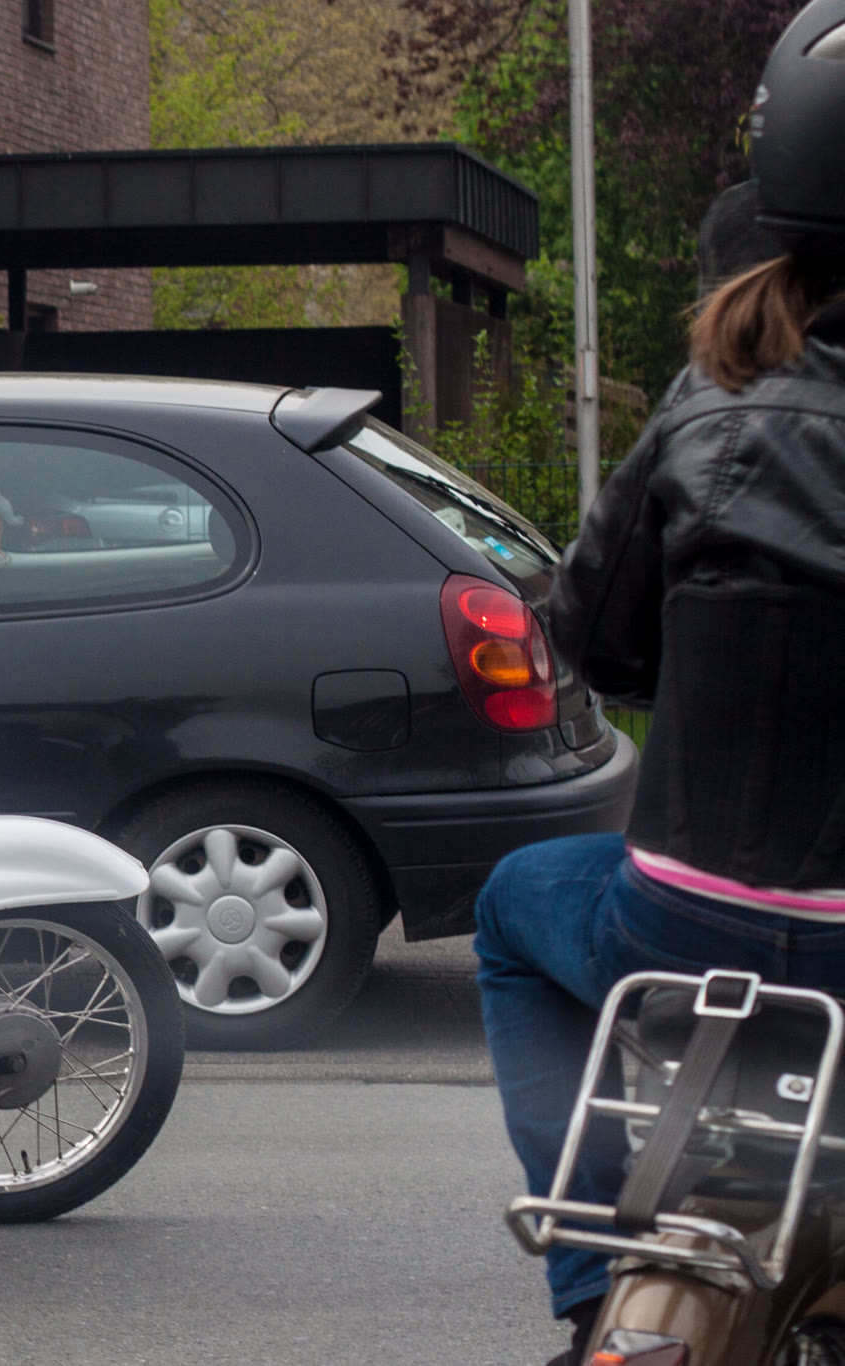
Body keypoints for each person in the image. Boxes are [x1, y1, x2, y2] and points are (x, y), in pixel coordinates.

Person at [472, 4, 845, 1361]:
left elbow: (596, 634)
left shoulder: (709, 403)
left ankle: (590, 1283)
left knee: (512, 906)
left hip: (681, 931)